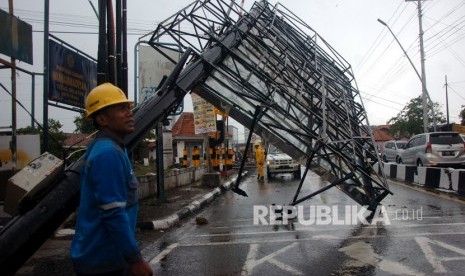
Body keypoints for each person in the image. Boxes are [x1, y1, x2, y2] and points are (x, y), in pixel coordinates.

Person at [70, 83, 153, 276]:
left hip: (102, 255)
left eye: (129, 108)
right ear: (102, 119)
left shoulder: (110, 147)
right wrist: (136, 260)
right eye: (121, 108)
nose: (129, 113)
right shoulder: (108, 153)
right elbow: (113, 213)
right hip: (103, 260)